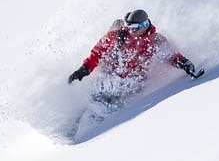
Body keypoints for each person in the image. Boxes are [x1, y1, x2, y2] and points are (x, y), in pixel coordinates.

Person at [68, 10, 204, 106]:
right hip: (110, 76)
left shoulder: (155, 40)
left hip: (134, 83)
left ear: (144, 26)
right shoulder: (117, 36)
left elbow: (171, 56)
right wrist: (84, 69)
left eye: (134, 28)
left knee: (115, 102)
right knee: (99, 96)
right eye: (129, 27)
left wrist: (184, 64)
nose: (130, 31)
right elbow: (97, 53)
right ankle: (85, 119)